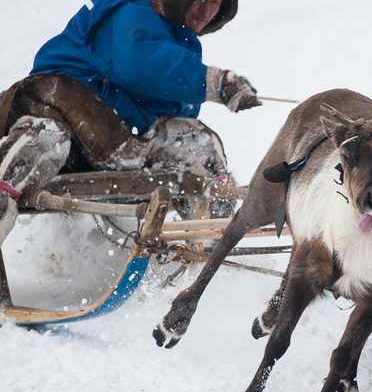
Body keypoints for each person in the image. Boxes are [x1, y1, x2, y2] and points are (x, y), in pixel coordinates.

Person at [0, 0, 258, 243]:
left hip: (117, 142)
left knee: (199, 144)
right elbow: (139, 64)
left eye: (214, 2)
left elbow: (171, 111)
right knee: (47, 136)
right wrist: (216, 83)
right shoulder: (131, 9)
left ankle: (210, 242)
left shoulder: (180, 43)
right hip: (60, 106)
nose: (205, 11)